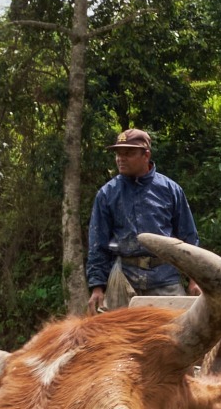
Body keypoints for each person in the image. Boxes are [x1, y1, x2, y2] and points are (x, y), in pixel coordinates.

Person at [84, 128, 199, 306]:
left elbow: (189, 237)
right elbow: (97, 244)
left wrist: (194, 278)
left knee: (176, 330)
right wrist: (97, 287)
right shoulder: (107, 194)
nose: (121, 158)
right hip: (123, 279)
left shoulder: (170, 190)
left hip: (164, 277)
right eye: (118, 154)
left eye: (129, 153)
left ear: (146, 155)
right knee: (117, 333)